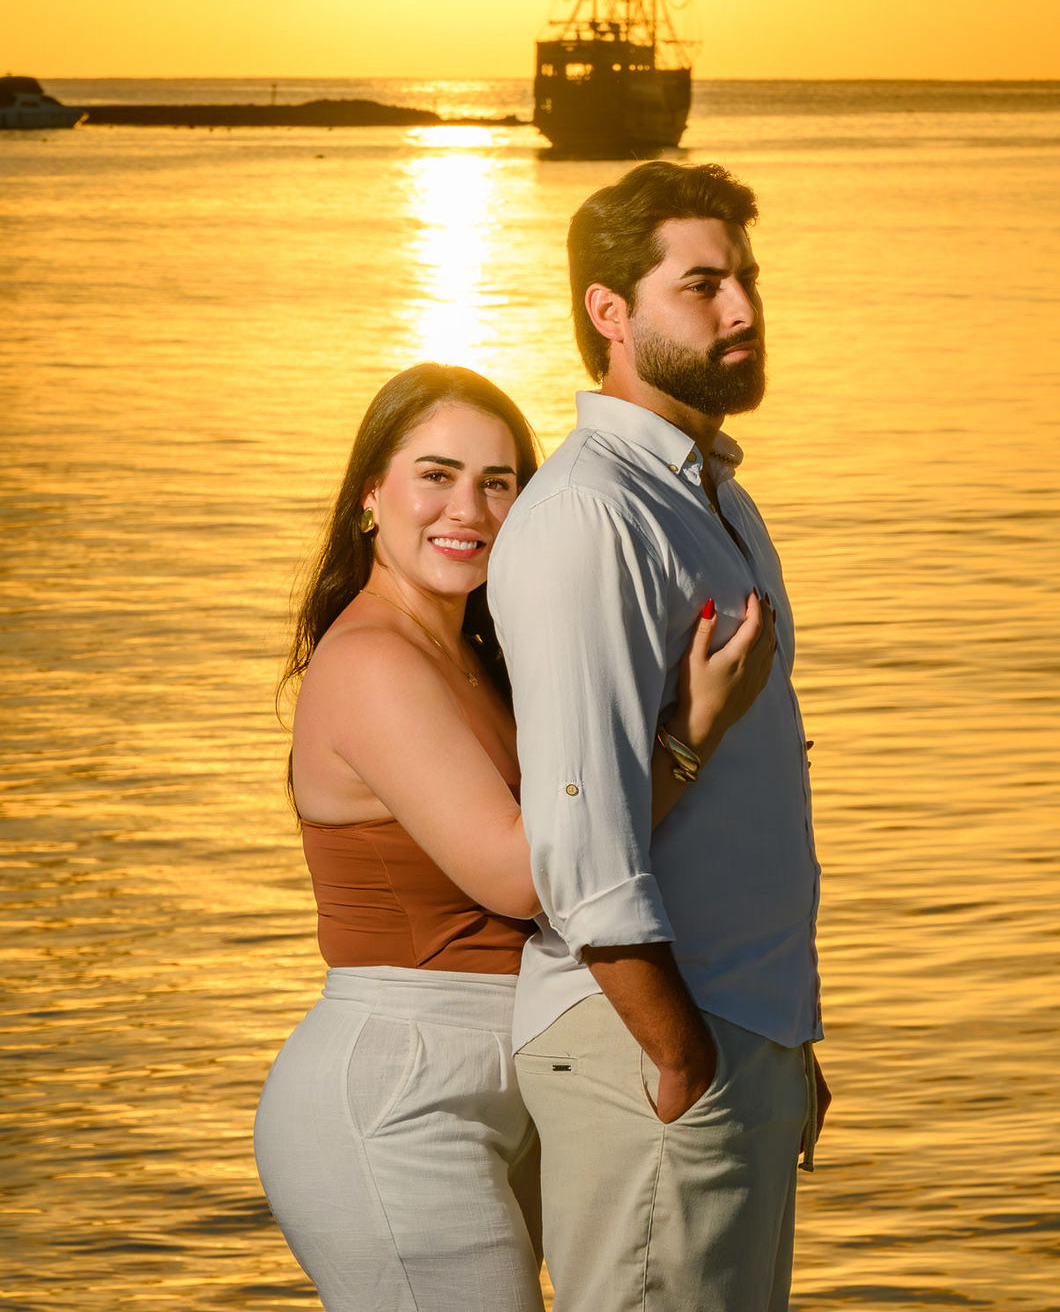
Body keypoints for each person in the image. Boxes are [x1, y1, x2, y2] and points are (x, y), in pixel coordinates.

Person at [253, 361, 774, 1312]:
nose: (471, 508)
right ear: (371, 494)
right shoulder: (371, 658)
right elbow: (521, 874)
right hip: (401, 1089)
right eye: (437, 475)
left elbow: (593, 830)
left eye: (501, 483)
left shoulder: (474, 658)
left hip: (514, 1074)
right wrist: (688, 740)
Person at [488, 162, 829, 1312]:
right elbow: (577, 839)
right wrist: (685, 1062)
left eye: (748, 280)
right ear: (610, 313)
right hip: (657, 1050)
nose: (742, 310)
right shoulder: (592, 515)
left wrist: (780, 1036)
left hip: (735, 1031)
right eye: (703, 285)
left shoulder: (713, 499)